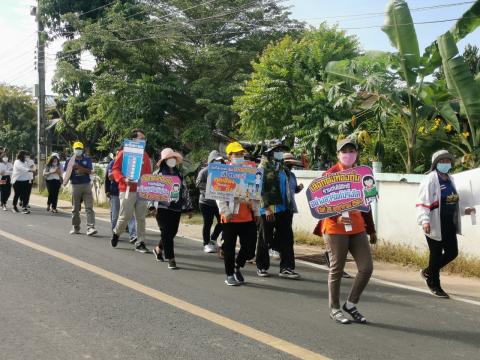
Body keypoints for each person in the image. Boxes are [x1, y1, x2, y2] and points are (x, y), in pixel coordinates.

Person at [319, 138, 376, 324]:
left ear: (356, 154)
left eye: (352, 150)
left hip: (357, 227)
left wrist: (371, 230)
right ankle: (334, 308)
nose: (348, 154)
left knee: (366, 268)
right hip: (335, 228)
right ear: (338, 154)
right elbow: (320, 205)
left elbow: (367, 204)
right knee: (337, 268)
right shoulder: (329, 175)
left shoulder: (363, 175)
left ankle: (350, 304)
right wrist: (337, 217)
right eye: (344, 151)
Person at [417, 150, 476, 298]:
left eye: (447, 161)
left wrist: (465, 210)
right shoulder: (430, 179)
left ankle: (429, 271)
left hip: (449, 222)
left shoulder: (451, 179)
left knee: (452, 252)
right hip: (434, 222)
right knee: (436, 254)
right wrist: (425, 220)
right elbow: (423, 202)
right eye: (441, 161)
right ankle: (434, 284)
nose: (445, 164)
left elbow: (453, 200)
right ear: (435, 163)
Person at [217, 142, 259, 286]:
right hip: (230, 217)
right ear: (229, 156)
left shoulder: (249, 171)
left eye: (241, 154)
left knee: (249, 247)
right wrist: (225, 211)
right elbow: (218, 194)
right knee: (229, 248)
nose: (240, 156)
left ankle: (237, 266)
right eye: (236, 154)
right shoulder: (222, 172)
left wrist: (256, 211)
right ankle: (229, 275)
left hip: (247, 216)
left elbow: (255, 193)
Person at [256, 141, 299, 279]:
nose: (279, 152)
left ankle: (286, 267)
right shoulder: (262, 168)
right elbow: (258, 190)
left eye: (281, 150)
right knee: (265, 238)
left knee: (287, 238)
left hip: (284, 209)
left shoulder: (282, 168)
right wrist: (267, 208)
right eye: (277, 150)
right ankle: (262, 266)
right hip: (268, 209)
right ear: (269, 152)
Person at [151, 148, 193, 269]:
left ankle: (158, 249)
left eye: (174, 158)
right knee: (166, 233)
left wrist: (189, 208)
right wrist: (152, 207)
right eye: (170, 158)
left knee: (172, 232)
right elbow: (152, 192)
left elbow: (185, 191)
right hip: (162, 208)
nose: (172, 160)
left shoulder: (179, 175)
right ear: (165, 160)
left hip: (176, 208)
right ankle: (171, 259)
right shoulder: (157, 174)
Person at [111, 129, 151, 253]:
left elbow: (148, 174)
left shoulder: (145, 155)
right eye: (141, 138)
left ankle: (140, 242)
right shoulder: (123, 153)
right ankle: (117, 233)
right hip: (127, 189)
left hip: (142, 191)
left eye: (144, 138)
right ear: (133, 140)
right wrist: (123, 179)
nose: (143, 140)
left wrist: (149, 189)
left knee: (141, 217)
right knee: (125, 216)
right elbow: (115, 170)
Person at [63, 141, 97, 236]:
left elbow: (90, 171)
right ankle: (75, 227)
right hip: (75, 186)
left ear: (82, 150)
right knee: (75, 208)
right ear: (73, 149)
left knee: (89, 207)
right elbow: (66, 174)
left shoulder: (87, 159)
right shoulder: (69, 161)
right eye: (76, 149)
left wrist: (79, 167)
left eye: (80, 149)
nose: (78, 150)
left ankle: (90, 227)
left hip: (86, 185)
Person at [105, 148, 138, 244]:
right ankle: (115, 234)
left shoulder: (130, 165)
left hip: (127, 191)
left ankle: (133, 235)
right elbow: (109, 177)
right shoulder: (112, 163)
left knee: (130, 214)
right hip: (115, 192)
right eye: (118, 154)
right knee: (116, 215)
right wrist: (120, 176)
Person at [196, 150, 224, 253]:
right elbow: (198, 184)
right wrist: (211, 188)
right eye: (215, 160)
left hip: (219, 202)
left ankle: (213, 239)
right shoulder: (204, 171)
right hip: (205, 202)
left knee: (223, 221)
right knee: (208, 222)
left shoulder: (224, 171)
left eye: (219, 160)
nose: (218, 162)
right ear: (210, 161)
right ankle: (206, 243)